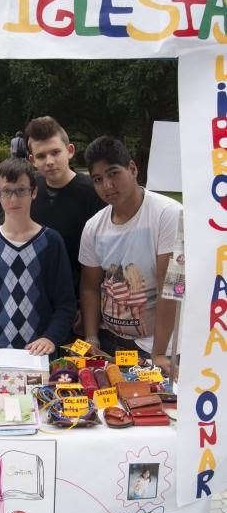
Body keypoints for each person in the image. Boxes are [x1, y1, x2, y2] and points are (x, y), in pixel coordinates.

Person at [79, 136, 182, 373]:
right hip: (110, 345)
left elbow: (172, 288)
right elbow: (90, 287)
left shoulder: (169, 214)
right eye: (98, 179)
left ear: (132, 168)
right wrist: (92, 338)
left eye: (113, 173)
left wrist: (158, 353)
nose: (107, 185)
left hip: (158, 348)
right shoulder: (94, 227)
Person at [0, 158, 76, 356]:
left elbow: (66, 303)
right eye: (7, 191)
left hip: (40, 354)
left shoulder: (51, 242)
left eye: (21, 190)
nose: (14, 199)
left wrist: (51, 337)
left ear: (34, 192)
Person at [26, 116, 105, 300]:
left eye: (55, 152)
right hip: (37, 296)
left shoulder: (93, 193)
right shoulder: (30, 189)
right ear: (32, 160)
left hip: (81, 296)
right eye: (41, 156)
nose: (49, 161)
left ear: (70, 151)